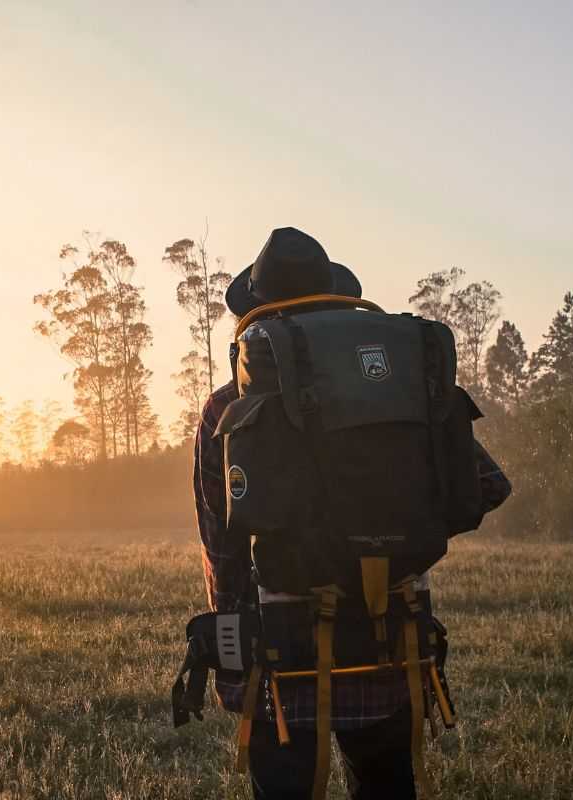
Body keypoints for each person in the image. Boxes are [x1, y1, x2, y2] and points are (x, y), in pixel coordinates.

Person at [193, 227, 510, 800]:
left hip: (280, 652)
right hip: (392, 633)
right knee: (387, 785)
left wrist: (235, 655)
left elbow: (223, 544)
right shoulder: (405, 390)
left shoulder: (226, 408)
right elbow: (486, 486)